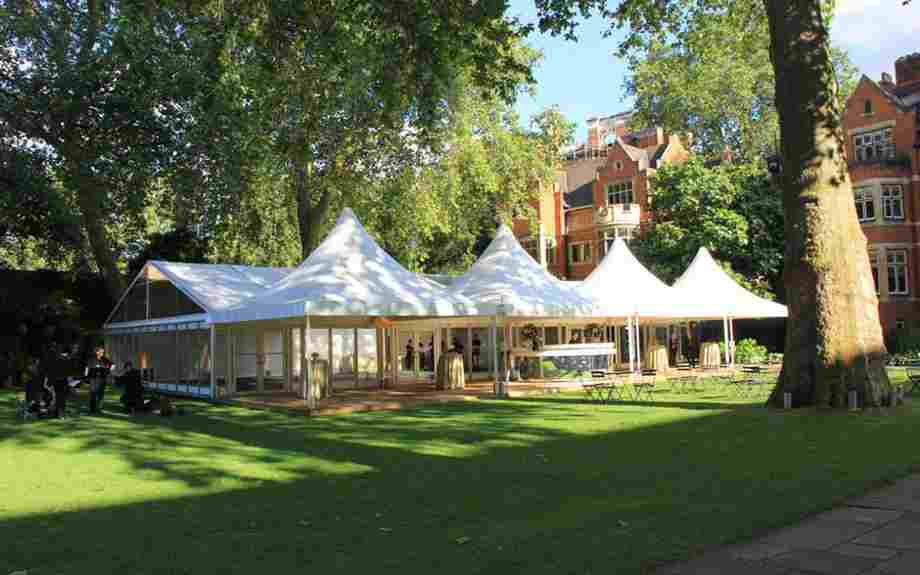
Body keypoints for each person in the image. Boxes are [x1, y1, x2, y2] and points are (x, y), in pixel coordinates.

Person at [86, 345, 113, 414]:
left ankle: (99, 408)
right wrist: (86, 376)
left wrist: (108, 371)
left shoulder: (105, 359)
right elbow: (87, 368)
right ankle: (92, 409)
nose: (102, 353)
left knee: (100, 394)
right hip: (93, 379)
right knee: (92, 394)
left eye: (103, 352)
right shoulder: (92, 359)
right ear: (97, 352)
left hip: (102, 379)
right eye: (101, 352)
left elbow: (113, 365)